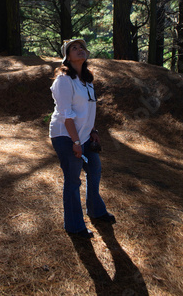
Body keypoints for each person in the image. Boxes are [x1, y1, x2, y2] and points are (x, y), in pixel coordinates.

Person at [49, 38, 116, 239]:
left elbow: (88, 109)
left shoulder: (86, 80)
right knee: (73, 180)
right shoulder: (63, 79)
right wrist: (76, 142)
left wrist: (93, 130)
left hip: (85, 136)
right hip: (65, 136)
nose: (79, 50)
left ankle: (96, 210)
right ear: (67, 57)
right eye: (74, 48)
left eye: (82, 47)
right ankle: (74, 226)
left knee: (94, 169)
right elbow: (66, 114)